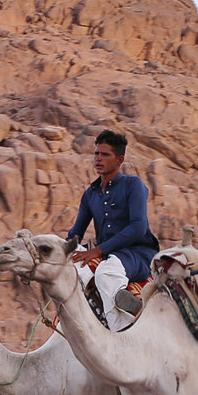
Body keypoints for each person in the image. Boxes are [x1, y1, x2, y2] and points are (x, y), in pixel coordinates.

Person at [65, 129, 158, 329]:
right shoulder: (90, 194)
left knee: (105, 273)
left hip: (137, 254)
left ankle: (123, 329)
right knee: (67, 268)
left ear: (119, 159)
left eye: (105, 154)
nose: (98, 158)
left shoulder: (133, 185)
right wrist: (62, 250)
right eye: (96, 153)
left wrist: (98, 251)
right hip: (107, 255)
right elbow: (76, 232)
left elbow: (138, 227)